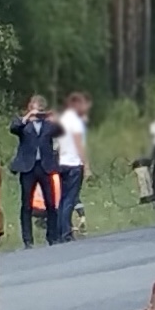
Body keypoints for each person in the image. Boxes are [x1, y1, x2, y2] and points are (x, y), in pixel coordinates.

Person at [8, 95, 60, 248]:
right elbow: (14, 128)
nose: (38, 115)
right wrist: (27, 117)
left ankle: (52, 237)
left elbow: (60, 131)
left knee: (50, 203)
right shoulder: (23, 125)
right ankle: (28, 240)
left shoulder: (48, 125)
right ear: (30, 108)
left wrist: (53, 118)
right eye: (35, 111)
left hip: (45, 167)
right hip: (28, 168)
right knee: (27, 204)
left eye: (40, 112)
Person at [52, 92, 90, 242]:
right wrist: (86, 165)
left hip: (62, 162)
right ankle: (66, 233)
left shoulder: (62, 120)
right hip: (74, 163)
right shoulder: (75, 122)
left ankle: (60, 230)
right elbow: (79, 144)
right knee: (70, 198)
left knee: (62, 199)